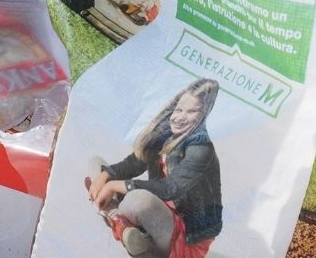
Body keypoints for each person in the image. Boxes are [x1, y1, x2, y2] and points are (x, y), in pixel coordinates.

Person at [86, 79, 222, 257]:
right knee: (96, 164)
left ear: (202, 116)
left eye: (192, 112)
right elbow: (134, 163)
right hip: (157, 211)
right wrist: (106, 176)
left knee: (139, 200)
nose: (180, 116)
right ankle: (123, 224)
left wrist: (112, 186)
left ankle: (116, 217)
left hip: (183, 233)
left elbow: (168, 189)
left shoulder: (201, 150)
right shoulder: (166, 137)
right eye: (179, 109)